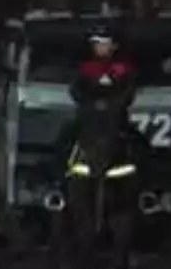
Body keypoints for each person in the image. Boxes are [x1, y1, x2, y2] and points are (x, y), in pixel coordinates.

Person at [53, 23, 147, 178]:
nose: (100, 47)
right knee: (65, 138)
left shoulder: (124, 68)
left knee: (139, 143)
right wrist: (91, 104)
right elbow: (75, 90)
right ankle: (59, 176)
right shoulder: (84, 68)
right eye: (97, 43)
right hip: (87, 117)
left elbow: (129, 92)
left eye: (104, 43)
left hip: (116, 118)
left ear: (114, 46)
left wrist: (112, 105)